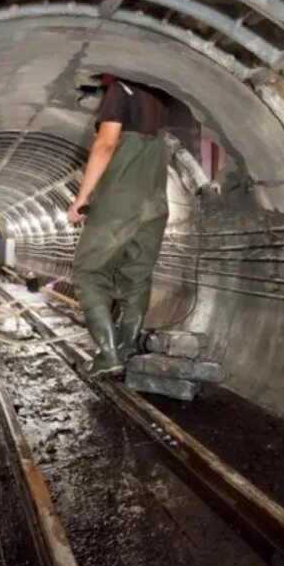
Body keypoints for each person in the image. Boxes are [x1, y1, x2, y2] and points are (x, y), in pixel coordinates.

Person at [68, 73, 171, 378]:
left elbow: (107, 144)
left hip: (119, 200)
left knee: (88, 272)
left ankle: (108, 354)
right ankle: (126, 351)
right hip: (156, 203)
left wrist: (81, 198)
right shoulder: (158, 96)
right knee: (136, 278)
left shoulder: (119, 90)